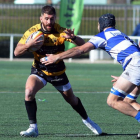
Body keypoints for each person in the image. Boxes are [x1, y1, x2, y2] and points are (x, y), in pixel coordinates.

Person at [43, 13, 140, 138]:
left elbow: (80, 49)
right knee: (129, 100)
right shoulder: (121, 34)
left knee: (113, 101)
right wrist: (124, 77)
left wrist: (56, 57)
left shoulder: (102, 36)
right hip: (135, 65)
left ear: (100, 25)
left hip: (135, 66)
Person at [14, 5, 102, 137]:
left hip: (58, 73)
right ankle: (33, 127)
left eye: (52, 18)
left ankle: (87, 120)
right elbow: (16, 52)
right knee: (29, 92)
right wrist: (28, 45)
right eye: (46, 19)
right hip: (39, 71)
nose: (49, 22)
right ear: (41, 18)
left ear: (55, 18)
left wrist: (73, 38)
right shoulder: (33, 31)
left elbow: (83, 45)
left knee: (71, 100)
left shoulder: (61, 31)